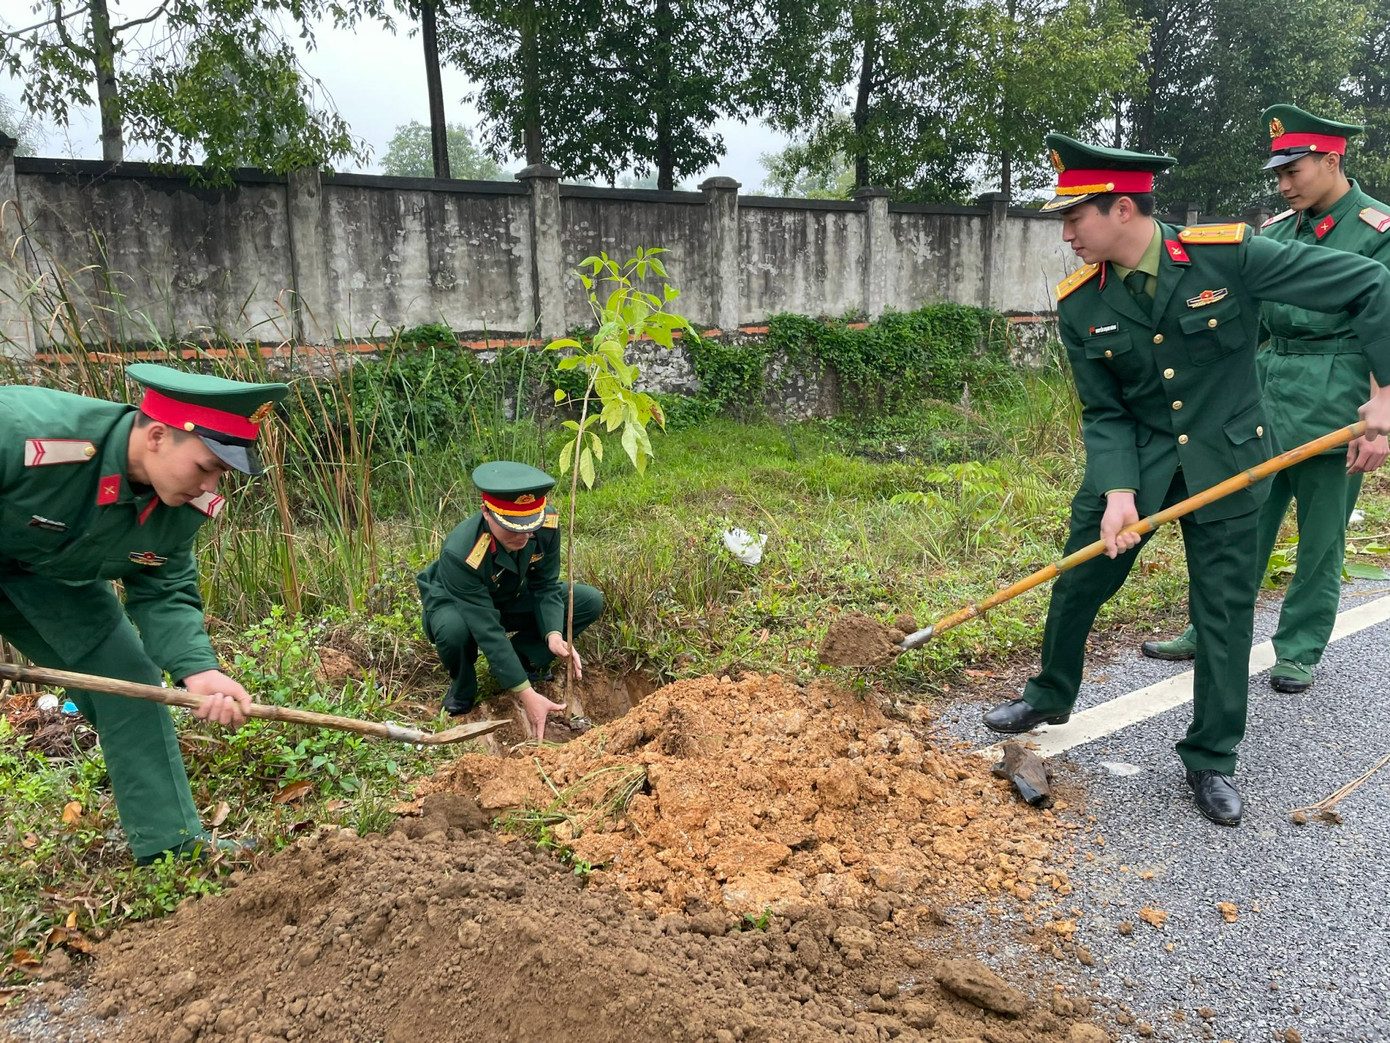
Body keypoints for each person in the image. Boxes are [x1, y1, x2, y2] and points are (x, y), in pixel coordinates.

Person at [980, 134, 1390, 827]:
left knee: (1224, 611)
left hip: (1228, 460)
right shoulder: (1080, 304)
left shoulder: (1228, 256)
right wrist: (1117, 493)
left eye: (1074, 217)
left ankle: (1211, 756)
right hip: (1137, 463)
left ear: (1121, 209)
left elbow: (1368, 283)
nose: (1066, 233)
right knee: (1081, 577)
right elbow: (1105, 411)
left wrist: (1385, 391)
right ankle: (1050, 692)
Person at [1141, 105, 1390, 693]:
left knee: (1321, 537)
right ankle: (1208, 629)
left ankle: (1298, 649)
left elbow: (1386, 322)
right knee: (1238, 524)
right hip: (1264, 391)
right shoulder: (1275, 232)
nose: (1283, 185)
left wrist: (1380, 414)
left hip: (1338, 395)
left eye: (1292, 171)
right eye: (1277, 174)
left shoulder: (1378, 232)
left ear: (1331, 161)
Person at [0, 363, 287, 864]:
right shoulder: (25, 431)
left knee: (129, 679)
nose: (209, 485)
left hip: (41, 578)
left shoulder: (181, 505)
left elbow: (164, 588)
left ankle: (170, 844)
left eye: (220, 474)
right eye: (205, 467)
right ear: (157, 436)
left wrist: (198, 670)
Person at [416, 462, 603, 741]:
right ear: (486, 512)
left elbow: (545, 586)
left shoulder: (546, 524)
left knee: (588, 601)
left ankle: (521, 659)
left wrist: (553, 634)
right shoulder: (461, 552)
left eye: (530, 527)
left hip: (508, 593)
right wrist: (527, 694)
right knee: (455, 631)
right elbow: (486, 627)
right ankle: (463, 686)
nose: (524, 536)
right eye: (512, 528)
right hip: (457, 603)